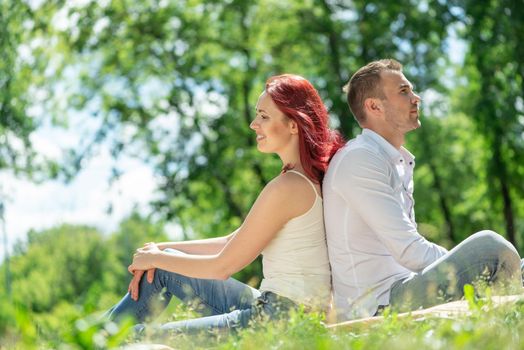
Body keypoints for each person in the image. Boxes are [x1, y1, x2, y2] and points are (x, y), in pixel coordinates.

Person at [106, 74, 345, 334]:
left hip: (280, 322)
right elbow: (232, 241)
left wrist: (156, 258)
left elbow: (222, 266)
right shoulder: (302, 181)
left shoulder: (288, 188)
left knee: (134, 336)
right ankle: (88, 338)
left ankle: (89, 341)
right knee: (163, 267)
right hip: (280, 311)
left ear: (294, 125)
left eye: (264, 116)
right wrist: (159, 251)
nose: (254, 124)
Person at [323, 59, 523, 321]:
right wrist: (467, 261)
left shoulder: (395, 160)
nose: (416, 98)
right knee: (490, 247)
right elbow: (411, 251)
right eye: (404, 91)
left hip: (406, 286)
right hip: (377, 306)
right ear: (374, 106)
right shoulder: (360, 159)